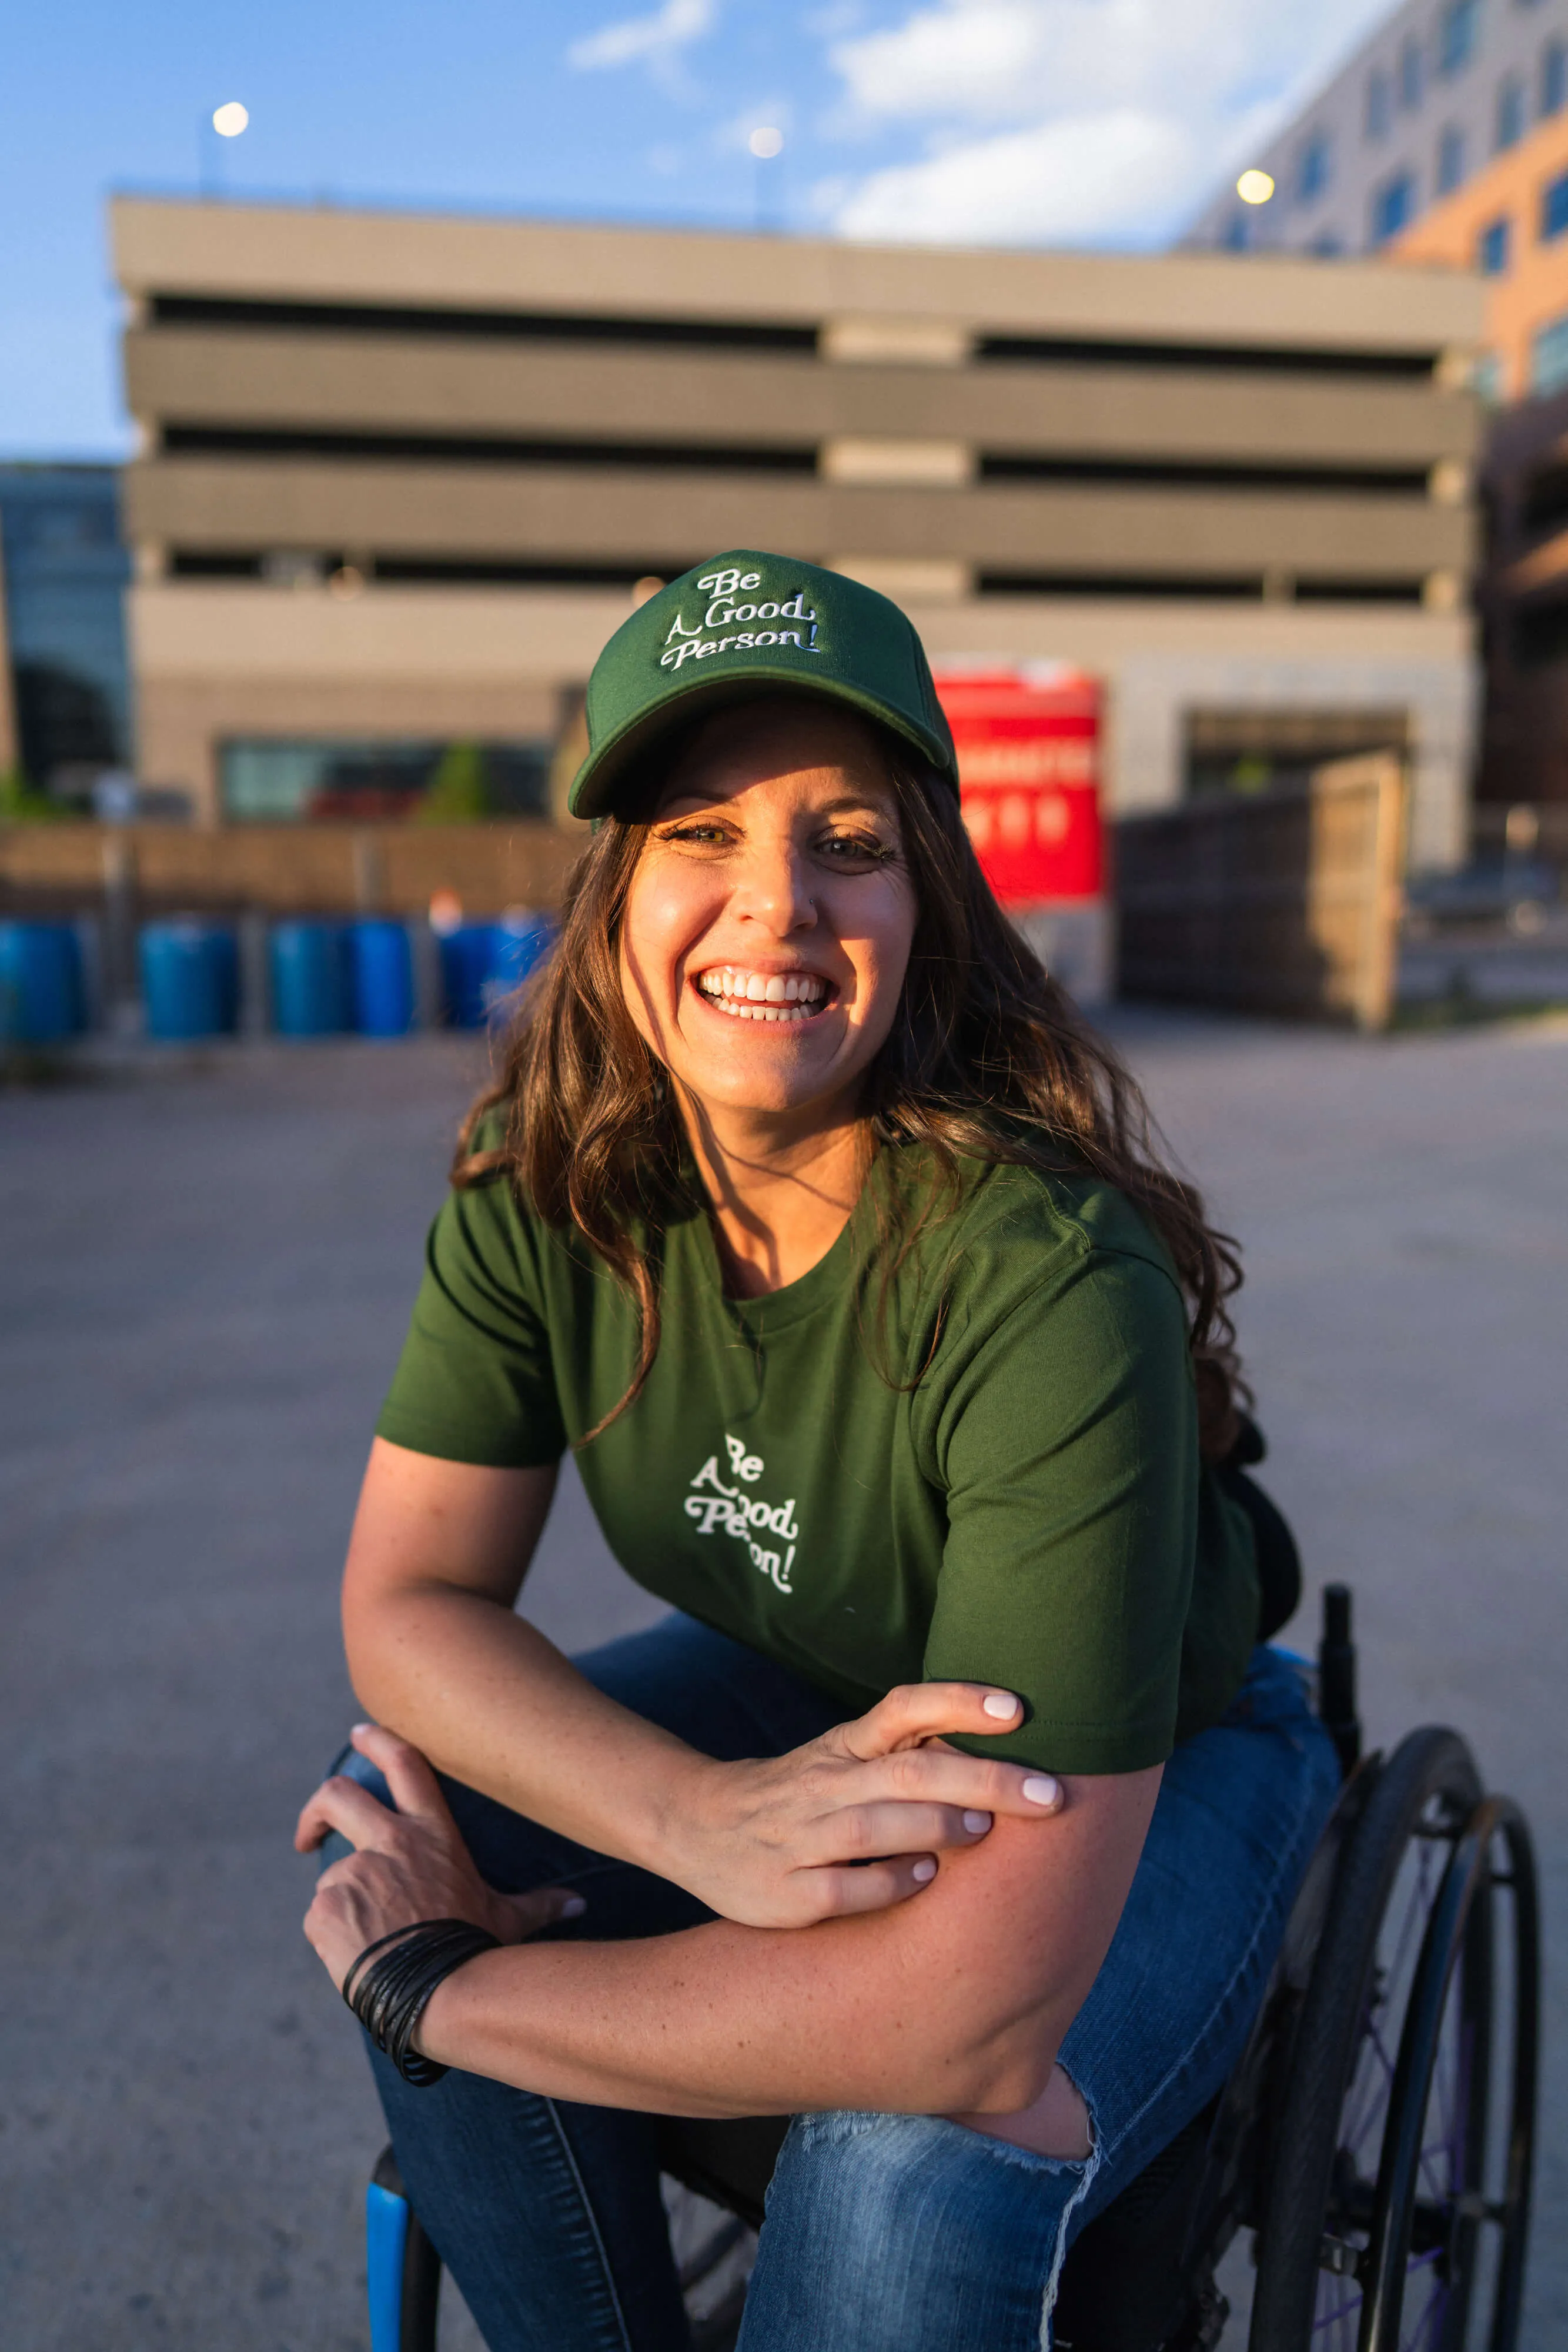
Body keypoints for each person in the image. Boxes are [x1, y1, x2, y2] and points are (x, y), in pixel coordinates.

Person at [296, 550, 1339, 2352]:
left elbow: (975, 2017)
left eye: (845, 841)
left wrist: (443, 1993)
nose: (772, 907)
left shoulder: (1040, 1272)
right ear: (618, 897)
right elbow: (412, 1598)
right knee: (398, 1798)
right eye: (699, 833)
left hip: (1157, 1749)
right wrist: (697, 1820)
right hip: (813, 1682)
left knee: (910, 2149)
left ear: (924, 894)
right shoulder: (542, 1191)